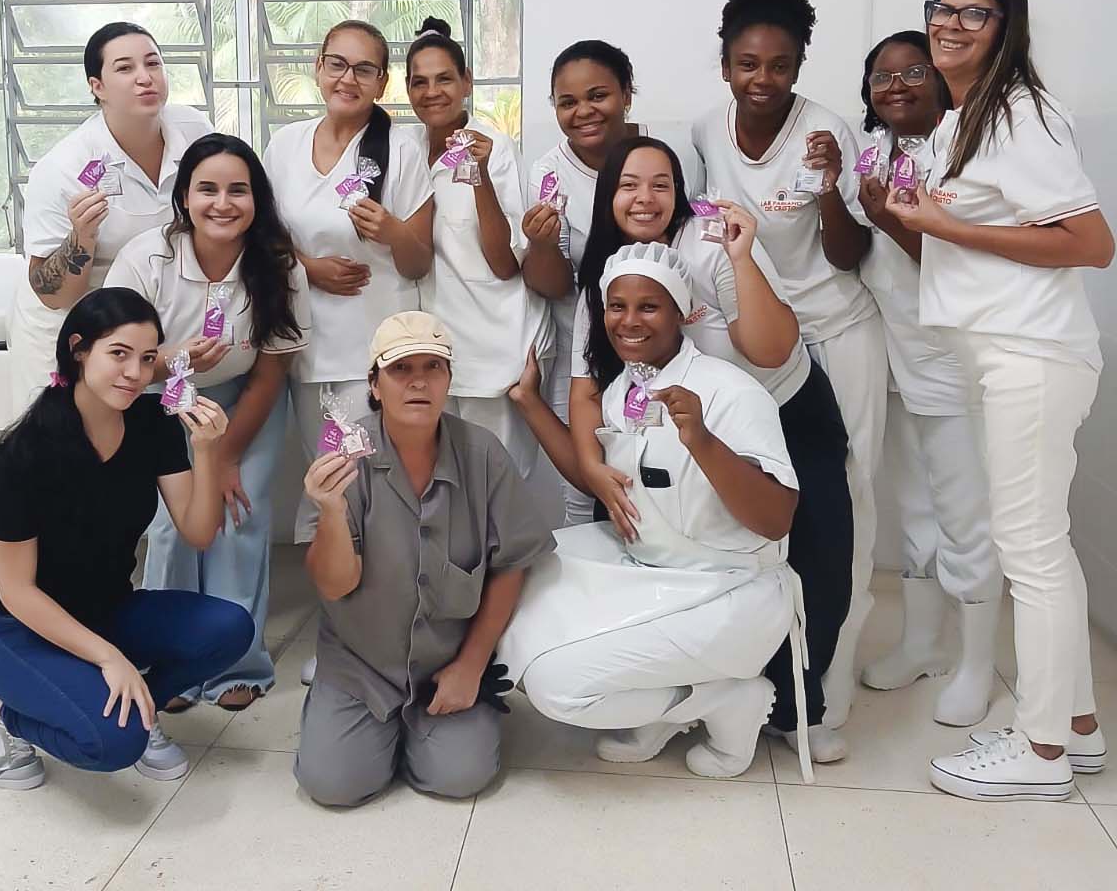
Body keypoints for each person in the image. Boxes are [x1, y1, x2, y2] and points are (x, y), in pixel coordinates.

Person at [884, 0, 1113, 802]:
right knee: (1044, 545)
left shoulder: (1020, 112)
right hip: (1008, 354)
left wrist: (948, 225)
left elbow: (1091, 243)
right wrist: (925, 220)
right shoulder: (965, 121)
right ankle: (1077, 729)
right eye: (941, 9)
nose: (949, 24)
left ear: (1007, 27)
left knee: (1030, 552)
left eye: (973, 14)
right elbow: (967, 233)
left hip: (1033, 353)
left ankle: (1040, 752)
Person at [563, 137, 852, 764]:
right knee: (663, 553)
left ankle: (798, 708)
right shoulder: (604, 270)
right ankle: (680, 697)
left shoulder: (714, 238)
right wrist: (592, 466)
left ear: (681, 190)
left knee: (816, 559)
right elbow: (585, 386)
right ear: (607, 195)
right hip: (687, 430)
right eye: (628, 185)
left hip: (781, 406)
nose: (645, 198)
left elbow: (769, 349)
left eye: (661, 184)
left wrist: (741, 256)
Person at [501, 243, 809, 781]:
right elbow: (594, 477)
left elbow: (777, 519)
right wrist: (529, 402)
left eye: (649, 307)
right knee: (512, 599)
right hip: (652, 572)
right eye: (617, 306)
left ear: (681, 313)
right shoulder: (623, 392)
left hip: (730, 591)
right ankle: (664, 704)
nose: (629, 321)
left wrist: (703, 441)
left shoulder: (730, 392)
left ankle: (726, 700)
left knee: (557, 687)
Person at [691, 0, 887, 729]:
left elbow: (848, 252)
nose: (762, 79)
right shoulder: (707, 131)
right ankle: (773, 665)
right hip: (759, 343)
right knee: (771, 494)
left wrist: (831, 185)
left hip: (837, 330)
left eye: (780, 65)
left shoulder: (825, 129)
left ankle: (833, 673)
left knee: (850, 497)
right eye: (748, 63)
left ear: (800, 65)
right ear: (725, 65)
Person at [0, 287, 253, 791]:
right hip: (22, 630)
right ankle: (3, 714)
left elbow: (198, 532)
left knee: (231, 628)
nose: (135, 373)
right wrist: (109, 657)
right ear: (79, 349)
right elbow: (16, 591)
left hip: (109, 611)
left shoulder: (152, 424)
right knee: (113, 745)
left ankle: (138, 706)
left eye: (147, 358)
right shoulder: (25, 449)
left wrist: (208, 451)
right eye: (118, 354)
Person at [293, 311, 554, 807]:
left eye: (433, 367)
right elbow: (334, 585)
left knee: (459, 777)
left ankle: (426, 728)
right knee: (334, 785)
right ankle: (351, 717)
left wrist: (471, 665)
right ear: (374, 385)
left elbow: (512, 563)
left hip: (447, 659)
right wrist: (330, 512)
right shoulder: (345, 460)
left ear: (449, 380)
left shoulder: (483, 454)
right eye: (400, 369)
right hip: (362, 663)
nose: (418, 381)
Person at [105, 134, 310, 711]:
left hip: (246, 402)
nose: (223, 203)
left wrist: (225, 456)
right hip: (161, 401)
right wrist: (174, 360)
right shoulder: (146, 259)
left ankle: (236, 664)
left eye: (238, 190)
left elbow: (272, 370)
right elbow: (114, 360)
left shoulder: (278, 266)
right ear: (184, 198)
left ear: (257, 200)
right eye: (207, 189)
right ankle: (168, 661)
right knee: (172, 528)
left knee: (237, 520)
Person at [854, 32, 1003, 727]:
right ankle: (922, 643)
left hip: (950, 359)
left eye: (913, 71)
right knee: (913, 506)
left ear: (939, 81)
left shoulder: (962, 150)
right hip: (892, 355)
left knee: (964, 513)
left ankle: (976, 663)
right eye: (882, 76)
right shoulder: (873, 151)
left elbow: (959, 259)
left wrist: (888, 219)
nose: (896, 86)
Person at [263, 18, 434, 554]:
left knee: (375, 479)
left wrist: (393, 231)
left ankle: (385, 586)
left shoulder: (401, 149)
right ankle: (335, 587)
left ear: (382, 82)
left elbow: (418, 262)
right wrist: (309, 268)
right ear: (318, 68)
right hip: (307, 344)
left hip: (375, 349)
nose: (348, 78)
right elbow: (261, 238)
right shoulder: (285, 145)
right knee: (325, 477)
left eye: (364, 69)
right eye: (337, 64)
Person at [523, 41, 698, 524]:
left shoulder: (669, 154)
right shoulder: (550, 173)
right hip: (590, 345)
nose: (583, 111)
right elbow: (554, 285)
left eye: (598, 95)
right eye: (567, 102)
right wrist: (542, 244)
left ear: (627, 94)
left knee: (672, 470)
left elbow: (688, 244)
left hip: (669, 341)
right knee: (587, 484)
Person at [7, 23, 213, 417]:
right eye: (125, 68)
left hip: (143, 328)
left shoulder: (193, 132)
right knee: (66, 440)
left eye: (153, 63)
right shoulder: (63, 167)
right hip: (71, 328)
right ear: (97, 86)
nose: (144, 77)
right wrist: (81, 237)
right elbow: (51, 294)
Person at [403, 18, 560, 526]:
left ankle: (505, 576)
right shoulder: (404, 149)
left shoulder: (494, 147)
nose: (432, 92)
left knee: (499, 492)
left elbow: (506, 262)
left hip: (496, 342)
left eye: (444, 79)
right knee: (440, 489)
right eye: (420, 82)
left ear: (467, 82)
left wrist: (482, 177)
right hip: (434, 343)